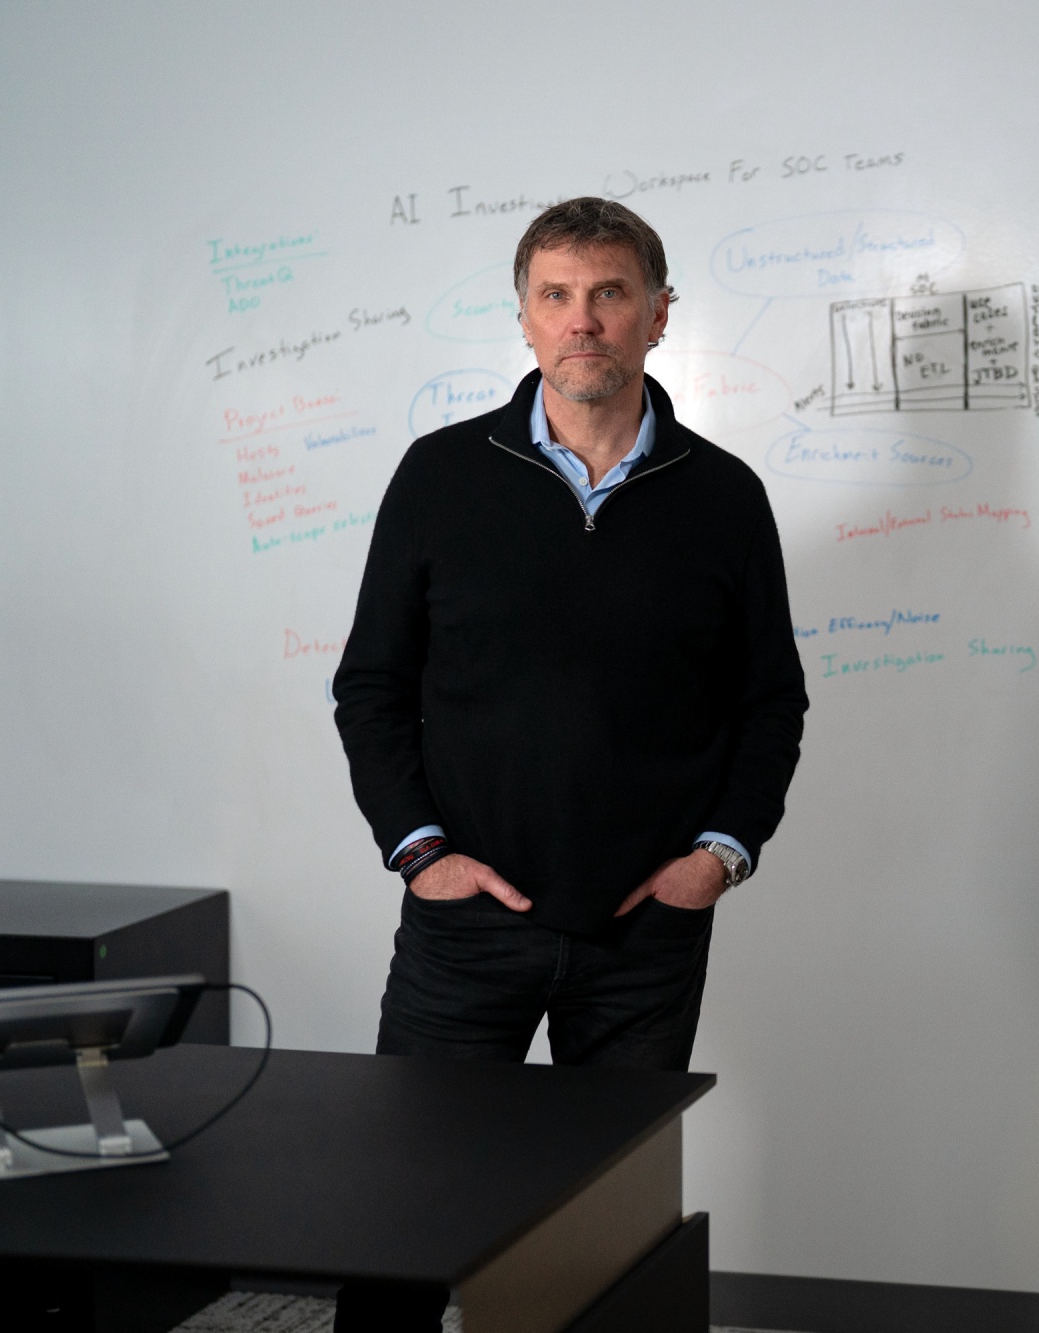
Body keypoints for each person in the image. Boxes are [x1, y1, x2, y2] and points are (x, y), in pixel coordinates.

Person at [331, 196, 807, 1329]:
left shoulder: (724, 495)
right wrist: (421, 853)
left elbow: (769, 701)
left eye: (608, 294)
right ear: (525, 318)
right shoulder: (442, 475)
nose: (581, 320)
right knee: (406, 1213)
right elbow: (372, 688)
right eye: (556, 296)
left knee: (611, 1242)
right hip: (464, 926)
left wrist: (718, 856)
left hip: (642, 936)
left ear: (657, 315)